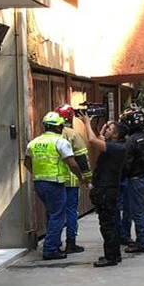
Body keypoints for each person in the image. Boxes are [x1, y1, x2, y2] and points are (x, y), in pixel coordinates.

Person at [25, 112, 83, 260]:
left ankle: (55, 244)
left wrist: (37, 174)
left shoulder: (34, 142)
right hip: (55, 184)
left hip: (39, 183)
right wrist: (80, 177)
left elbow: (26, 162)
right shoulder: (60, 142)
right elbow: (72, 163)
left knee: (52, 214)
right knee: (58, 216)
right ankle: (50, 249)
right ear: (59, 127)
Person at [82, 116, 127, 267]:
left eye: (110, 129)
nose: (106, 130)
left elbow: (93, 141)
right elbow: (99, 138)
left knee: (107, 224)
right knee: (111, 222)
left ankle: (111, 258)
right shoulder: (115, 145)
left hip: (106, 190)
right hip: (108, 189)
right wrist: (99, 126)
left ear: (116, 135)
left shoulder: (117, 148)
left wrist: (87, 123)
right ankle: (114, 254)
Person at [120, 107, 144, 254]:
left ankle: (142, 243)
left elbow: (127, 164)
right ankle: (143, 238)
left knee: (137, 213)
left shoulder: (131, 141)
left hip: (136, 181)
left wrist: (122, 176)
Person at [54, 104, 92, 254]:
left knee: (55, 213)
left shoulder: (49, 135)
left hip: (54, 180)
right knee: (71, 211)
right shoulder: (73, 134)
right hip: (71, 180)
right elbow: (82, 158)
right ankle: (71, 242)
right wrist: (87, 178)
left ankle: (55, 243)